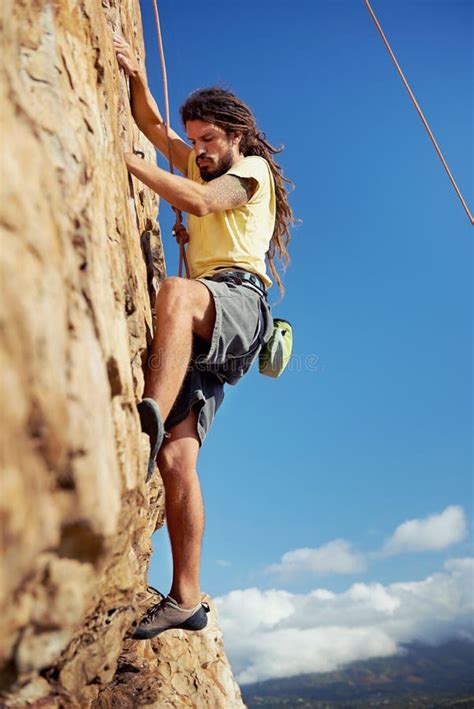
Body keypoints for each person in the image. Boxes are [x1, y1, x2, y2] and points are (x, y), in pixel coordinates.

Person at [113, 34, 296, 639]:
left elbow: (200, 199)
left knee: (176, 290)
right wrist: (135, 72)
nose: (198, 151)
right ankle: (185, 598)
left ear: (236, 134)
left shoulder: (249, 172)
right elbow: (154, 124)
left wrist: (131, 165)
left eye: (208, 140)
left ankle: (145, 424)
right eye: (194, 142)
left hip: (238, 301)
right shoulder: (199, 155)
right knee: (178, 458)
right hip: (201, 326)